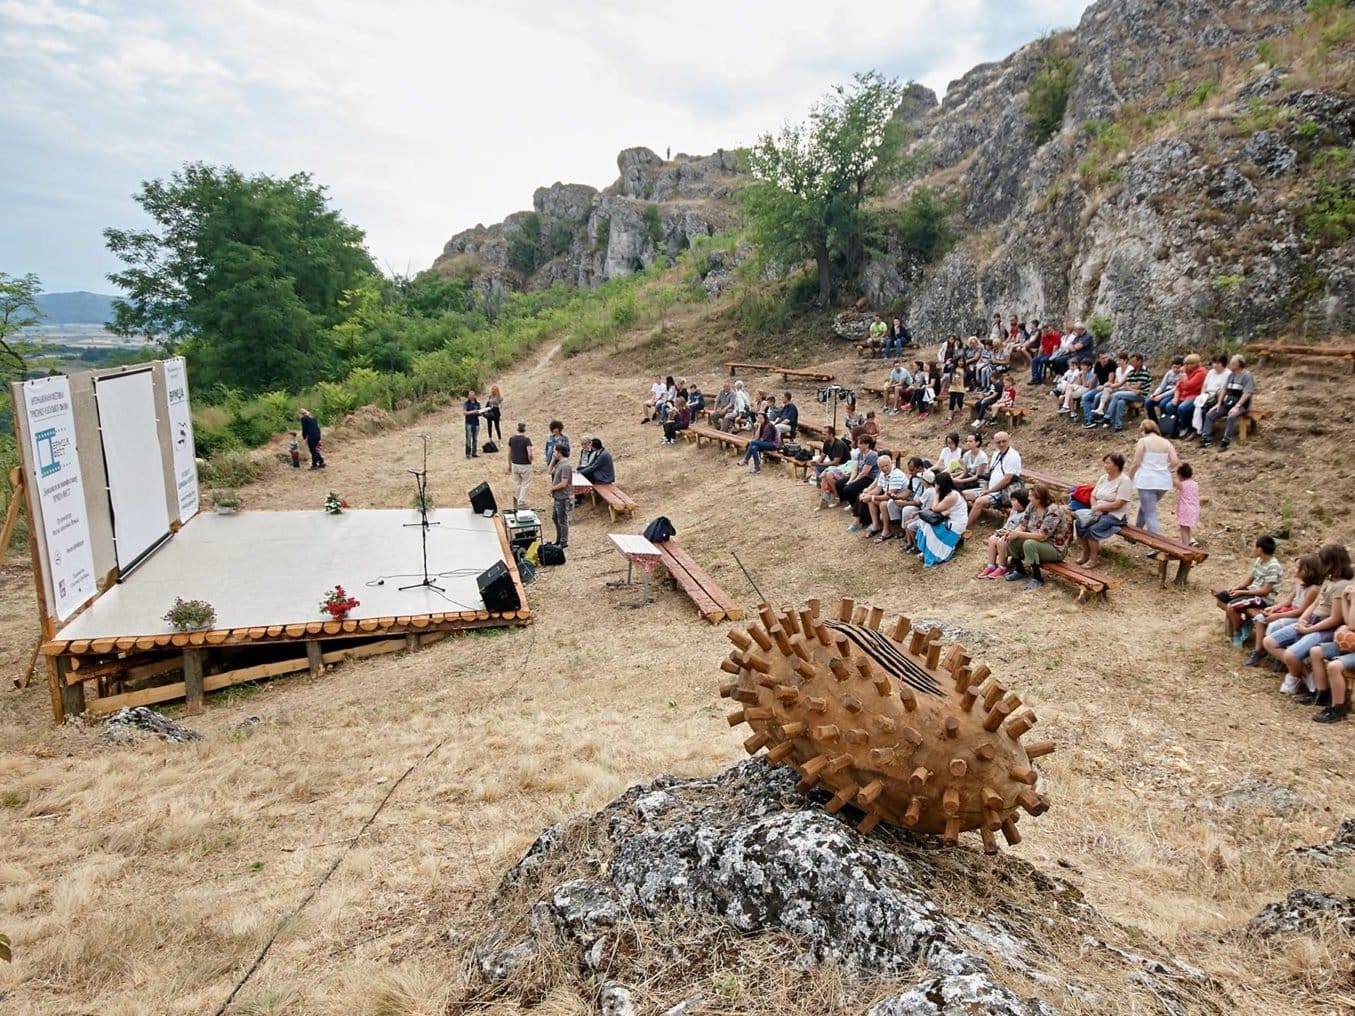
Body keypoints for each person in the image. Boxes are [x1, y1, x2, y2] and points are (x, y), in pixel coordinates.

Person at [1263, 543, 1354, 696]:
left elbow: (1335, 618)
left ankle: (1299, 679)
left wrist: (1308, 629)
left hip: (1324, 628)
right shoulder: (1329, 579)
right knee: (1269, 642)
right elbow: (1316, 602)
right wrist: (1303, 618)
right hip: (1312, 620)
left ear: (1331, 562)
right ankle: (1305, 673)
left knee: (1291, 654)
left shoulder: (1342, 585)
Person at [1245, 554, 1322, 667]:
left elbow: (1300, 611)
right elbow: (1288, 601)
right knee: (1261, 618)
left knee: (1275, 625)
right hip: (1290, 611)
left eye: (1297, 567)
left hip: (1298, 616)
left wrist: (1277, 616)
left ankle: (1278, 654)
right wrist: (1273, 608)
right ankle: (1259, 650)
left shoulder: (1313, 589)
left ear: (1307, 571)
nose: (1294, 569)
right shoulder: (1299, 583)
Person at [1213, 535, 1284, 645]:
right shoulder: (1259, 560)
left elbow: (1265, 591)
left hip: (1262, 599)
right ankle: (1245, 622)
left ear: (1260, 549)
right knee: (1221, 598)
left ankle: (1237, 632)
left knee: (1231, 607)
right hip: (1250, 594)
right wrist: (1237, 588)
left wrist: (1242, 592)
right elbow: (1251, 578)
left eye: (1253, 546)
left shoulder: (1273, 566)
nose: (1252, 549)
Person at [1003, 485, 1073, 590]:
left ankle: (1037, 578)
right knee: (1012, 540)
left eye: (1031, 496)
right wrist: (1013, 533)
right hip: (1037, 541)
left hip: (1055, 547)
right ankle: (1020, 570)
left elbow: (1042, 536)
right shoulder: (1032, 506)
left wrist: (1019, 534)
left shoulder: (1053, 511)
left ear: (1039, 498)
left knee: (1029, 544)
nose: (1028, 498)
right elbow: (1023, 525)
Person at [1073, 452, 1134, 567]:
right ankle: (1085, 553)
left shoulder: (1124, 481)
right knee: (1080, 522)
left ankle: (1093, 558)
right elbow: (1093, 495)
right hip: (1098, 510)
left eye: (1107, 463)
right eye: (1105, 462)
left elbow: (1118, 504)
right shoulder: (1103, 478)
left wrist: (1100, 507)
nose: (1104, 465)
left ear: (1116, 465)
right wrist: (1094, 507)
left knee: (1093, 528)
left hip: (1116, 514)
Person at [1127, 420, 1179, 536]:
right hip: (1163, 481)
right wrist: (1164, 467)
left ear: (1143, 430)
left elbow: (1136, 462)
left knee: (1150, 513)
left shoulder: (1144, 441)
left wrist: (1129, 477)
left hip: (1147, 481)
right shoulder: (1166, 442)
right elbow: (1175, 461)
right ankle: (1136, 532)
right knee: (1145, 507)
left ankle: (1156, 543)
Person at [1313, 584, 1355, 722]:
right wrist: (1344, 597)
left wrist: (1353, 598)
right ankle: (1321, 694)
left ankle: (1338, 708)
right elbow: (1348, 620)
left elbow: (1352, 625)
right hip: (1351, 645)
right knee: (1316, 651)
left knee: (1334, 666)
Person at [1200, 354, 1255, 451]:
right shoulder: (1231, 375)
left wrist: (1237, 406)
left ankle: (1226, 442)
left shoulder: (1247, 376)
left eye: (1232, 363)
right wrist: (1219, 403)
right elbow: (1224, 390)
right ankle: (1206, 439)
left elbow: (1247, 393)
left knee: (1232, 416)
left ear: (1239, 365)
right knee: (1210, 414)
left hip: (1242, 404)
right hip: (1228, 402)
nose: (1230, 365)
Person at [914, 471, 969, 566]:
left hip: (955, 524)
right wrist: (941, 512)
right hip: (949, 519)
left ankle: (933, 553)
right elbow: (936, 509)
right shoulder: (949, 493)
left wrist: (937, 493)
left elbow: (935, 508)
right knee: (925, 522)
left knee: (928, 525)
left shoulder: (952, 496)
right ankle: (926, 550)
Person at [978, 487, 1033, 578]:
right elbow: (1007, 524)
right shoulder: (1013, 511)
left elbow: (1020, 530)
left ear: (1023, 502)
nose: (1012, 502)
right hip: (1006, 533)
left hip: (1015, 538)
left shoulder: (1025, 515)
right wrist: (1001, 531)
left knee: (1001, 542)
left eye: (1015, 500)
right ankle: (991, 565)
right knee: (992, 539)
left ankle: (1002, 567)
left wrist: (1006, 533)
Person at [966, 431, 1022, 518]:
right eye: (998, 442)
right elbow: (989, 473)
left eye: (1004, 441)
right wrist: (986, 488)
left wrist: (990, 491)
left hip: (1003, 491)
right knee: (962, 494)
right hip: (991, 489)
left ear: (1008, 440)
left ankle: (966, 526)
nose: (1002, 444)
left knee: (979, 502)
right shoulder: (996, 454)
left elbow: (1007, 479)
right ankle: (961, 519)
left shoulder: (1013, 456)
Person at [1155, 353, 1205, 437]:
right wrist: (1175, 397)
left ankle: (1185, 427)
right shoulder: (1185, 372)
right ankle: (1173, 426)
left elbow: (1189, 386)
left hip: (1194, 395)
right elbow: (1178, 386)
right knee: (1169, 406)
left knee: (1182, 408)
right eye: (1185, 364)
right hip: (1182, 394)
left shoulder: (1201, 373)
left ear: (1194, 364)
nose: (1185, 366)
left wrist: (1184, 376)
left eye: (1187, 364)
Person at [1103, 353, 1153, 431]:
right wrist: (1133, 389)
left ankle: (1107, 417)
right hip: (1132, 394)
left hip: (1142, 395)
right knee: (1120, 402)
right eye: (1132, 362)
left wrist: (1132, 388)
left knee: (1117, 395)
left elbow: (1138, 386)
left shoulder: (1145, 371)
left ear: (1139, 361)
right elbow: (1127, 385)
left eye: (1134, 362)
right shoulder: (1132, 372)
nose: (1132, 364)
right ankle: (1118, 425)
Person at [1189, 354, 1230, 438]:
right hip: (1206, 395)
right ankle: (1196, 429)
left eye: (1218, 363)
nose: (1215, 365)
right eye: (1214, 363)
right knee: (1194, 407)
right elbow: (1204, 386)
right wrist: (1202, 395)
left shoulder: (1228, 374)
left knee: (1205, 410)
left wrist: (1214, 399)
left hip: (1217, 397)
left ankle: (1205, 432)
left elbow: (1223, 390)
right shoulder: (1211, 372)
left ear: (1223, 363)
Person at [548, 444, 572, 549]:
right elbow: (549, 471)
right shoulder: (559, 464)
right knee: (555, 518)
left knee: (562, 520)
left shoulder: (566, 465)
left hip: (562, 497)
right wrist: (553, 460)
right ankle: (558, 539)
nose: (553, 453)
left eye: (554, 452)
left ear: (559, 452)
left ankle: (563, 542)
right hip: (557, 497)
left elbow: (564, 483)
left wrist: (552, 489)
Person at [506, 421, 533, 509]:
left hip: (515, 463)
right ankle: (521, 501)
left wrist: (509, 465)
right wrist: (530, 461)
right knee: (525, 483)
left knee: (516, 483)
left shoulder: (512, 439)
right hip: (525, 464)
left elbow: (509, 453)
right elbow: (529, 453)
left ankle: (519, 499)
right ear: (524, 429)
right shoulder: (526, 440)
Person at [1175, 461, 1199, 546]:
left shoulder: (1182, 485)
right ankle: (1190, 541)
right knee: (1187, 527)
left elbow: (1174, 481)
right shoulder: (1195, 484)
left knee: (1183, 528)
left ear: (1180, 475)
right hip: (1194, 509)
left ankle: (1185, 545)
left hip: (1185, 509)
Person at [462, 391, 482, 459]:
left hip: (476, 423)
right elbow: (464, 412)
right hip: (469, 423)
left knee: (475, 439)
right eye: (470, 395)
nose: (471, 396)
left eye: (473, 395)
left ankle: (474, 452)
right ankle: (468, 453)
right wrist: (472, 412)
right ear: (468, 396)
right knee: (468, 438)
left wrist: (481, 412)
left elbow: (480, 412)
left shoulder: (477, 403)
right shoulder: (466, 403)